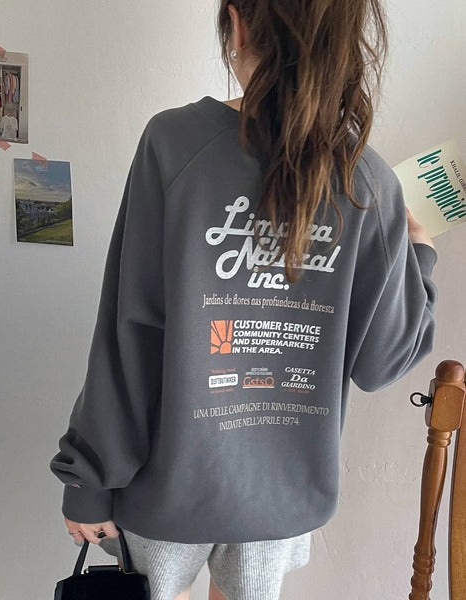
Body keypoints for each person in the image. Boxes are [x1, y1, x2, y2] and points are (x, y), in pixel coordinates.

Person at [49, 1, 438, 599]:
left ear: (236, 22)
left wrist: (89, 478)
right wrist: (421, 254)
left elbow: (130, 332)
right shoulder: (370, 182)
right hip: (280, 499)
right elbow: (383, 361)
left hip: (167, 485)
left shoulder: (175, 144)